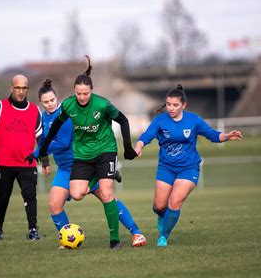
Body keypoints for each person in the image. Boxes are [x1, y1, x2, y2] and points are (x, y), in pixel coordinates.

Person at [36, 56, 138, 249]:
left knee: (107, 197)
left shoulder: (68, 112)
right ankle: (68, 240)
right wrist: (45, 160)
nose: (49, 104)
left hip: (86, 159)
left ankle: (134, 231)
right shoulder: (48, 116)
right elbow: (45, 140)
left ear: (57, 99)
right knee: (54, 204)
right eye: (45, 101)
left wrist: (37, 153)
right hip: (69, 168)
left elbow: (63, 142)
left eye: (52, 100)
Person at [134, 85, 243, 247]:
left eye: (175, 105)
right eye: (169, 104)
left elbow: (212, 135)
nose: (171, 108)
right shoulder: (160, 121)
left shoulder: (193, 120)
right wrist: (139, 146)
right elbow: (146, 136)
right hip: (166, 167)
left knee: (175, 201)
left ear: (184, 105)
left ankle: (163, 236)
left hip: (188, 167)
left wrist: (226, 136)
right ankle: (162, 216)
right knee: (159, 206)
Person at [0, 74, 43, 241]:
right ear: (12, 88)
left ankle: (33, 230)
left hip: (27, 162)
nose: (21, 91)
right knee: (3, 196)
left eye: (24, 88)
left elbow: (40, 138)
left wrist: (44, 161)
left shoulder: (34, 110)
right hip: (4, 162)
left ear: (27, 89)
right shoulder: (0, 107)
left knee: (30, 196)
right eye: (18, 88)